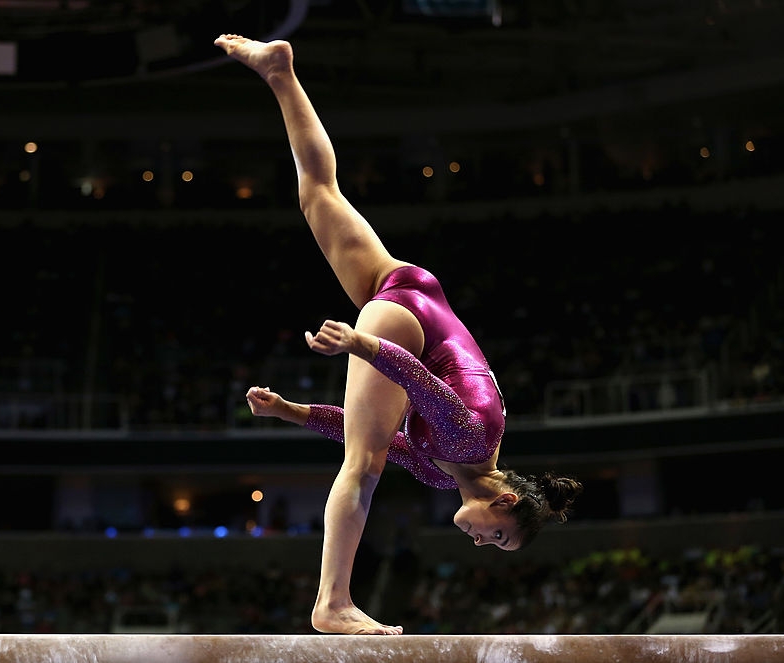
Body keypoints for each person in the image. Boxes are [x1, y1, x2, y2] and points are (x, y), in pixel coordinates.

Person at [215, 34, 584, 636]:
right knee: (360, 467)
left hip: (407, 293)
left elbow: (367, 419)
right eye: (499, 538)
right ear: (506, 502)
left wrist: (291, 411)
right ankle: (332, 603)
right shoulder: (473, 442)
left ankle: (279, 73)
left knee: (317, 194)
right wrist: (360, 345)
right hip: (403, 329)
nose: (485, 544)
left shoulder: (445, 472)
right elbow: (422, 385)